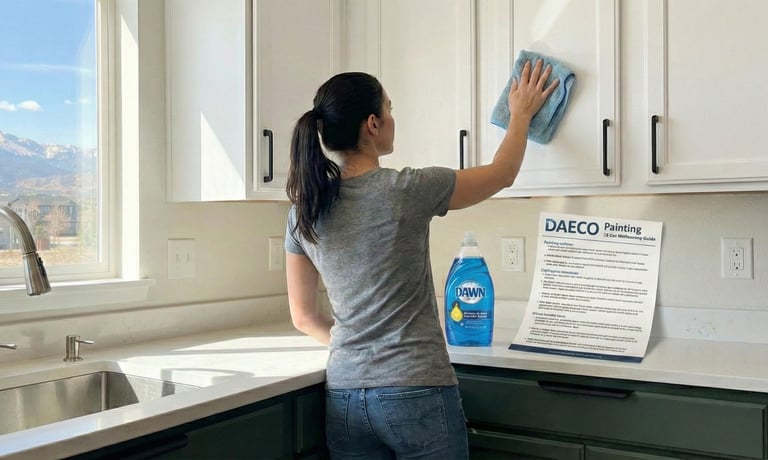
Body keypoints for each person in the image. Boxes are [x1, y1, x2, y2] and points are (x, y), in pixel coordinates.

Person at [285, 60, 558, 459]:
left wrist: (360, 350)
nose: (393, 118)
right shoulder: (408, 188)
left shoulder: (304, 210)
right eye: (390, 108)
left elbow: (303, 317)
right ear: (372, 124)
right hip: (415, 387)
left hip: (345, 396)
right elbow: (502, 174)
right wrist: (520, 114)